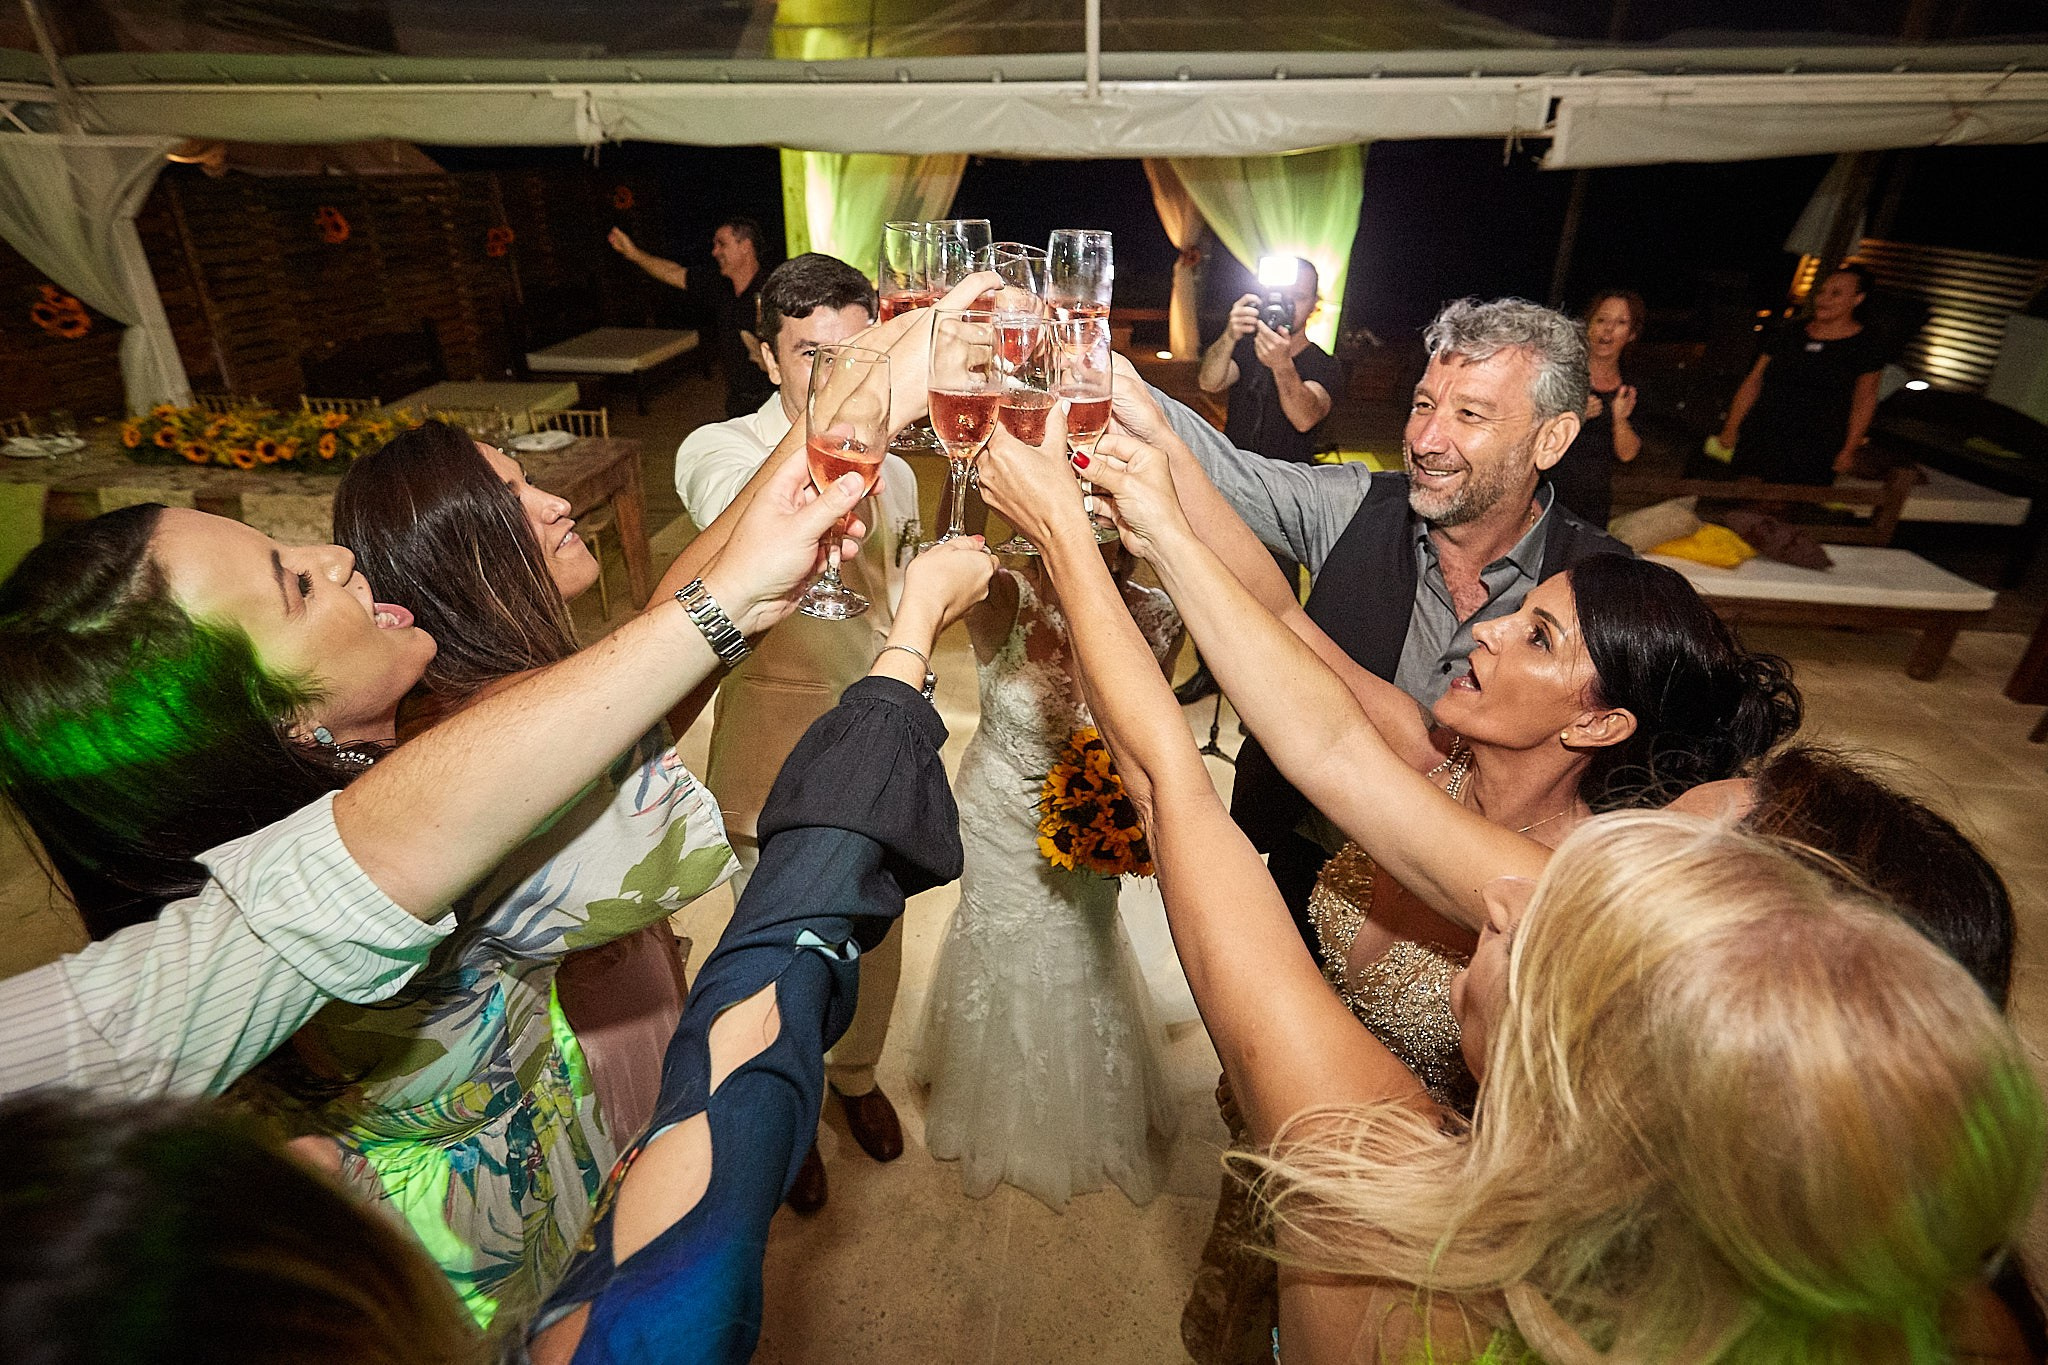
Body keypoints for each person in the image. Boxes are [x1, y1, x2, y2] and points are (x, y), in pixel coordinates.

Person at [977, 413, 2046, 1365]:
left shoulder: (1394, 1228)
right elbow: (1319, 716)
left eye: (1588, 902)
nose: (1515, 901)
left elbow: (1174, 788)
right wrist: (1162, 491)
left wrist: (1069, 545)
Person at [0, 539, 992, 1364]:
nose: (335, 552)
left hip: (554, 1168)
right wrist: (898, 662)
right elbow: (736, 1087)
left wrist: (746, 591)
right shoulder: (371, 889)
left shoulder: (211, 946)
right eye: (292, 582)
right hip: (478, 1234)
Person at [0, 439, 875, 1104]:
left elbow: (640, 670)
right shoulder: (422, 823)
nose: (336, 557)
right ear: (277, 721)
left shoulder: (397, 768)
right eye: (295, 584)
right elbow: (642, 685)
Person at [1137, 297, 1630, 929]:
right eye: (1424, 403)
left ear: (1552, 438)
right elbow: (1223, 473)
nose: (1425, 440)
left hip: (1484, 924)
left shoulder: (1602, 582)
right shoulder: (1352, 505)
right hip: (1310, 870)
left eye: (1470, 414)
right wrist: (1104, 372)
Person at [671, 252, 923, 1208]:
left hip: (876, 744)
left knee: (879, 938)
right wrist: (835, 422)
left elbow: (894, 582)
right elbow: (743, 541)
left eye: (858, 354)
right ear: (763, 355)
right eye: (812, 355)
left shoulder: (895, 466)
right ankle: (789, 1106)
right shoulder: (720, 449)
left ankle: (854, 1079)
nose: (839, 374)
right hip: (771, 760)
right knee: (779, 957)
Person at [912, 537, 1180, 1211]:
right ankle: (996, 1105)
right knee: (1000, 941)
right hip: (999, 809)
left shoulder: (1159, 614)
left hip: (1093, 810)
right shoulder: (1004, 594)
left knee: (1084, 946)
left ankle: (1089, 1108)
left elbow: (1143, 732)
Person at [1718, 263, 1886, 485]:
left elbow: (1864, 399)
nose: (1824, 299)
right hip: (1765, 431)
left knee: (1783, 505)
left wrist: (1849, 449)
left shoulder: (1866, 344)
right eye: (1822, 292)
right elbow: (1754, 380)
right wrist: (1731, 425)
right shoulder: (1789, 333)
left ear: (1857, 299)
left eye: (1835, 294)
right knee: (1746, 496)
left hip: (1816, 442)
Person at [610, 217, 777, 417]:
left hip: (775, 400)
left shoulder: (773, 290)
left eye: (721, 244)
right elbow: (674, 272)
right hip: (739, 403)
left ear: (745, 246)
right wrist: (633, 254)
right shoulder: (718, 285)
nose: (714, 252)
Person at [1196, 257, 1341, 467]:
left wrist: (1281, 365)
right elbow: (1209, 382)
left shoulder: (1323, 363)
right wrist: (1229, 334)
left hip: (1288, 482)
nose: (1286, 305)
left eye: (1298, 297)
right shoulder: (1247, 346)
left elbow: (1304, 419)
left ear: (1313, 305)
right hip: (1235, 470)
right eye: (1281, 296)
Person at [1544, 288, 1644, 528]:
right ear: (1588, 325)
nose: (1608, 329)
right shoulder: (1563, 372)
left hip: (1593, 503)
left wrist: (1619, 419)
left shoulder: (1630, 388)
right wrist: (1575, 414)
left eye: (1620, 323)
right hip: (1546, 494)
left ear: (1631, 334)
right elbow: (1529, 429)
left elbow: (1628, 454)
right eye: (1601, 320)